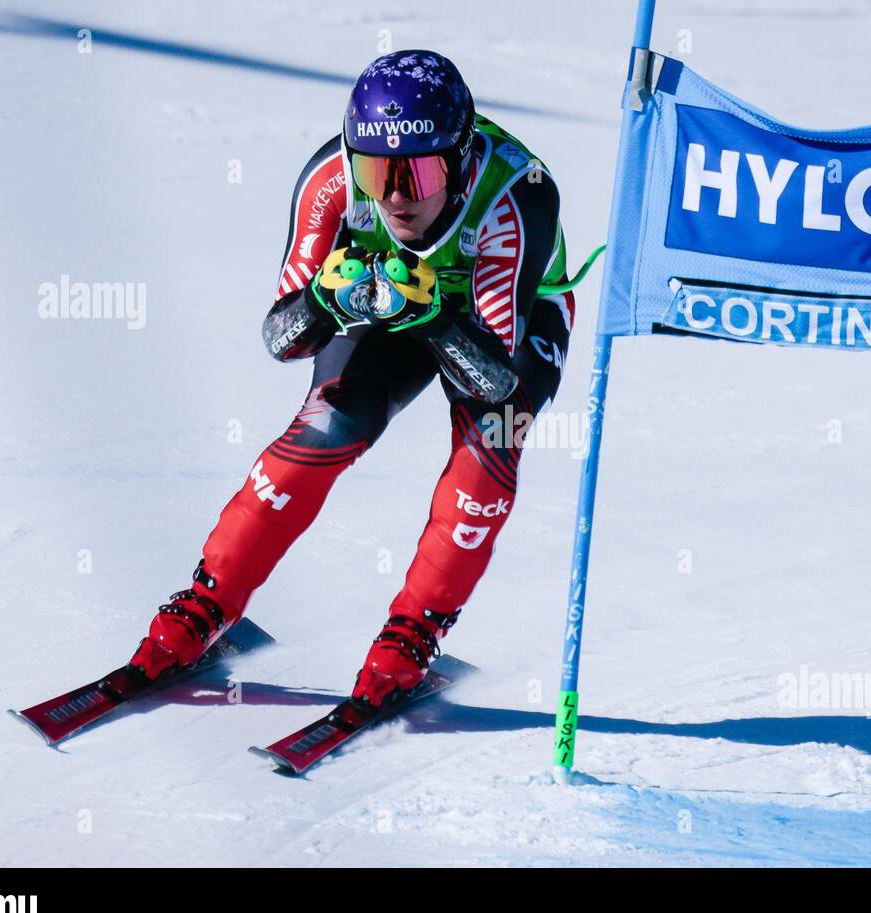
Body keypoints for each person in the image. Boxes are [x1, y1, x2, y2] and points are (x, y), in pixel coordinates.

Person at [129, 50, 574, 708]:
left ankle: (410, 638)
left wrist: (430, 316)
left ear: (461, 158)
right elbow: (280, 338)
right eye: (375, 169)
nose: (394, 195)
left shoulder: (517, 196)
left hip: (504, 318)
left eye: (416, 171)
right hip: (391, 301)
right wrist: (324, 302)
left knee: (490, 448)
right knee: (323, 428)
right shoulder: (332, 182)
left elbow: (497, 380)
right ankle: (204, 606)